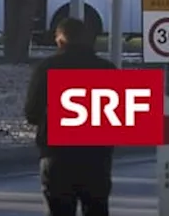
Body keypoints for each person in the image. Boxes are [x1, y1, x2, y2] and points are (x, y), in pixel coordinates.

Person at [25, 17, 116, 216]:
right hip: (96, 159)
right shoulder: (107, 69)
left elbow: (32, 112)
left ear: (60, 40)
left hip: (57, 156)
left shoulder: (47, 68)